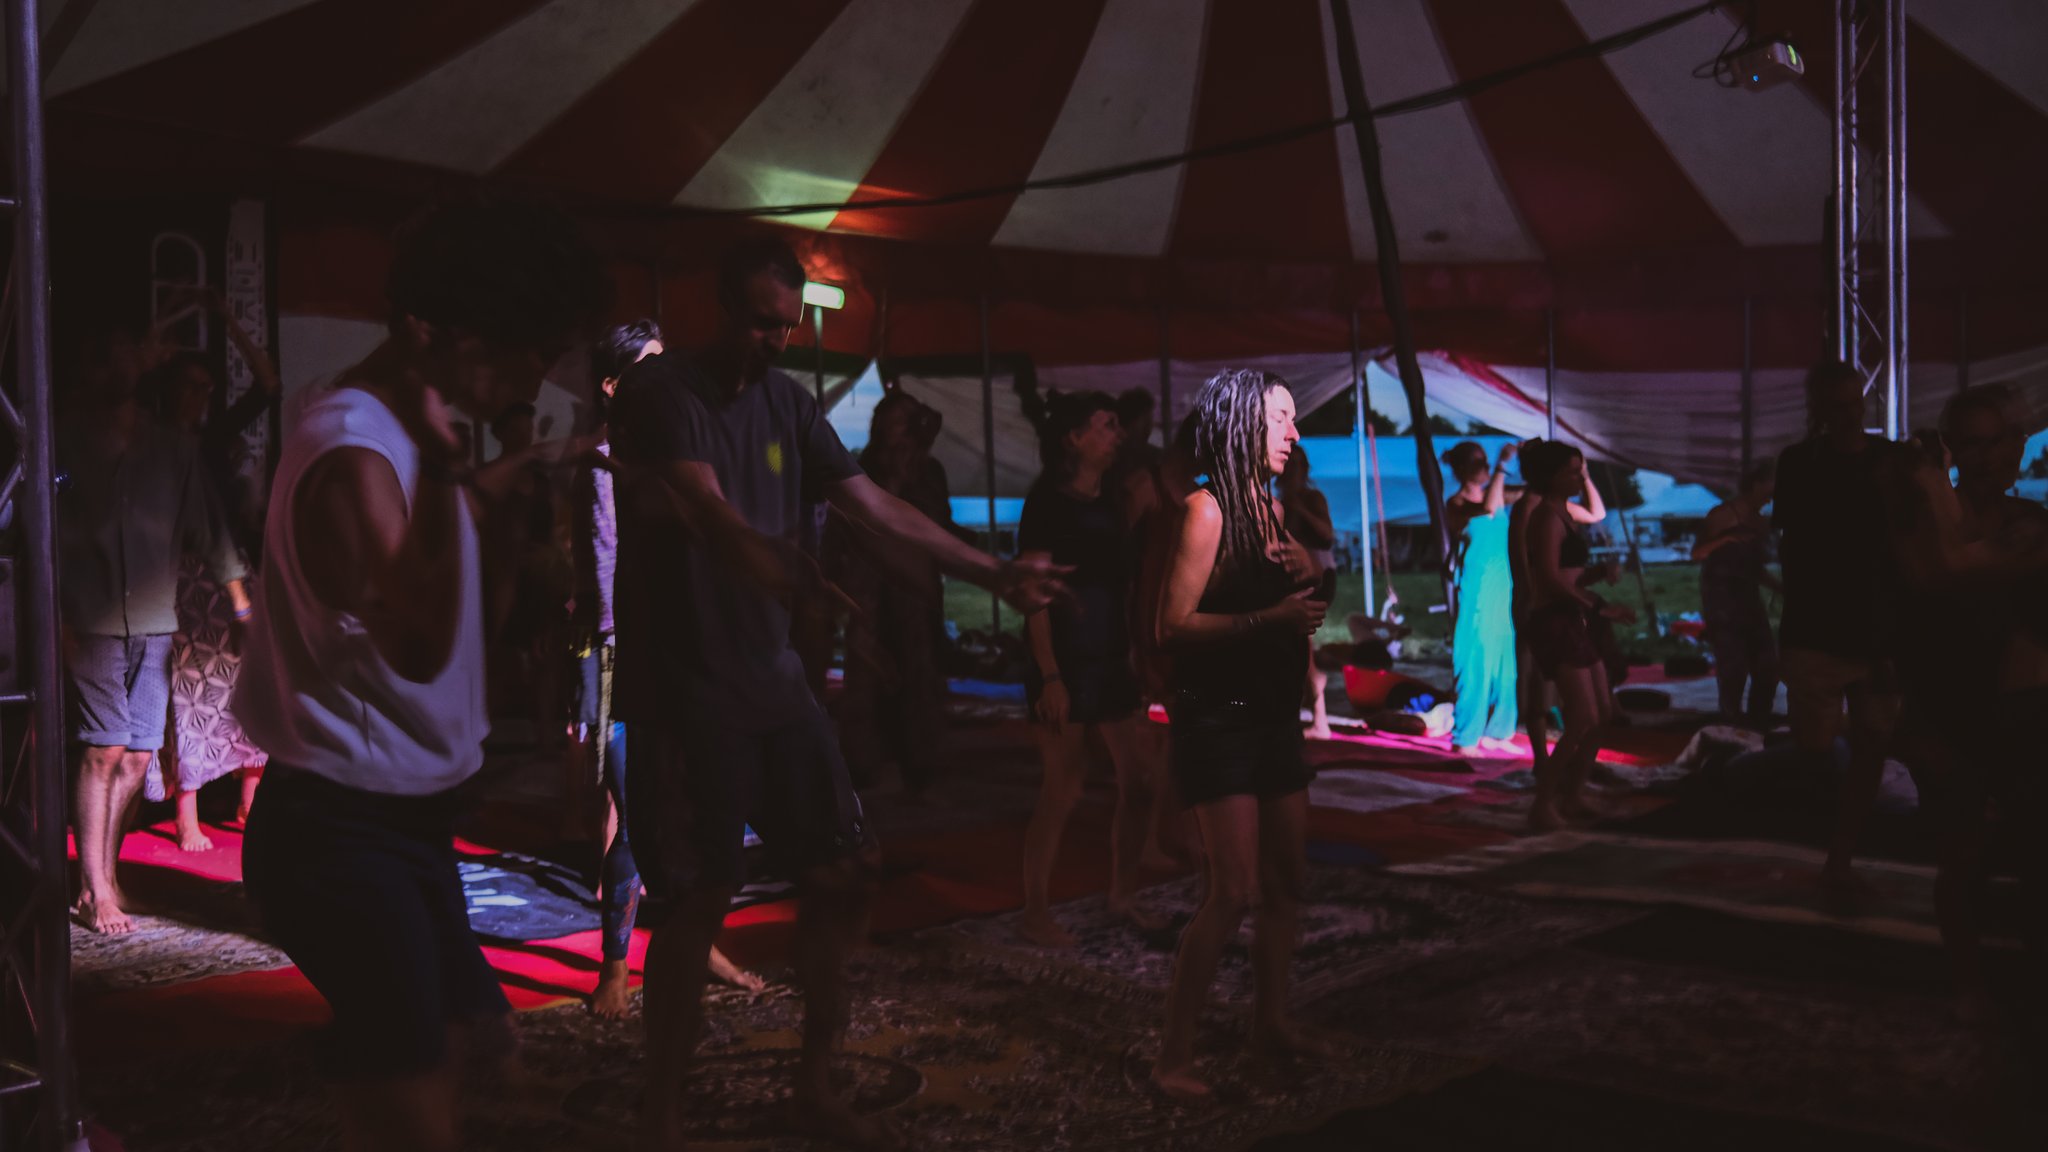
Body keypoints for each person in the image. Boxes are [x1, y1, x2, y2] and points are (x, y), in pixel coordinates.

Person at [607, 237, 1066, 1152]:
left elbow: (873, 503)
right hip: (686, 692)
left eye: (787, 326)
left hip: (773, 685)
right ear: (718, 308)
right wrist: (789, 573)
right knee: (699, 900)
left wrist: (991, 570)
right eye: (760, 323)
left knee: (845, 873)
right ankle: (660, 1114)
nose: (774, 341)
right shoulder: (662, 392)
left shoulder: (788, 402)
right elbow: (706, 508)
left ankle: (813, 1086)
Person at [234, 199, 608, 1152]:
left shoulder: (405, 432)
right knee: (416, 1108)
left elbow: (455, 603)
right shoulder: (355, 450)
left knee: (479, 1051)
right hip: (337, 835)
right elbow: (420, 644)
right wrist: (454, 479)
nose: (533, 378)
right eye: (525, 353)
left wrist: (503, 483)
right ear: (446, 336)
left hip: (406, 824)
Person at [573, 320, 765, 1018]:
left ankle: (700, 942)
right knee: (634, 814)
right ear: (612, 385)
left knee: (709, 802)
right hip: (623, 652)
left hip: (687, 645)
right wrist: (595, 675)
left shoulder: (682, 451)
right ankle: (615, 969)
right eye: (647, 368)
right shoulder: (602, 459)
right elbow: (601, 565)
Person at [1150, 368, 1331, 1104]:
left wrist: (1310, 568)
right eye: (1281, 419)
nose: (1294, 433)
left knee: (1287, 883)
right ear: (1241, 423)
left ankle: (1271, 1022)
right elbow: (1171, 625)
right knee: (1232, 893)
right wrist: (1269, 619)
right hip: (1218, 719)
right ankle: (1173, 1056)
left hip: (1272, 717)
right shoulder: (1206, 511)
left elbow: (1295, 598)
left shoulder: (1272, 506)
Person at [58, 314, 251, 931]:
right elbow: (41, 529)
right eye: (107, 354)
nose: (118, 364)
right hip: (90, 617)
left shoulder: (171, 448)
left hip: (155, 621)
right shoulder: (66, 439)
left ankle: (102, 878)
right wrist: (53, 613)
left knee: (140, 758)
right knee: (105, 747)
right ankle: (96, 888)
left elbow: (211, 529)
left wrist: (242, 604)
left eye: (128, 352)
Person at [1016, 390, 1164, 947]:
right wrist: (1050, 675)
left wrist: (1136, 653)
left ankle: (1123, 893)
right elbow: (1033, 595)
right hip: (1066, 661)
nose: (1117, 434)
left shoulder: (1110, 503)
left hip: (1110, 658)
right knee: (1064, 787)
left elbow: (1121, 584)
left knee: (1141, 780)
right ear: (1073, 439)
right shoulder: (1046, 504)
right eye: (1105, 425)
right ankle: (1035, 911)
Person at [144, 298, 284, 849]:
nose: (199, 396)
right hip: (178, 580)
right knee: (192, 694)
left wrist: (227, 319)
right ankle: (188, 813)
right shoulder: (150, 438)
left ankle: (251, 800)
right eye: (190, 386)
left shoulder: (214, 435)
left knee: (250, 684)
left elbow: (268, 385)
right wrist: (174, 319)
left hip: (231, 576)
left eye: (206, 387)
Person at [1773, 361, 1900, 889]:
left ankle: (1841, 851)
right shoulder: (1801, 462)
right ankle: (1834, 845)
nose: (1850, 414)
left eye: (1855, 402)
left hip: (1869, 628)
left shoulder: (1888, 459)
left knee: (1869, 744)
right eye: (1840, 405)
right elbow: (1792, 541)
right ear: (1820, 409)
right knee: (1820, 748)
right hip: (1821, 627)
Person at [827, 389, 968, 800]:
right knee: (868, 667)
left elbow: (936, 520)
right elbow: (849, 523)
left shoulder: (928, 471)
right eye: (895, 421)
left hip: (914, 582)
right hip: (869, 580)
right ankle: (863, 761)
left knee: (918, 666)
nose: (900, 430)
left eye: (906, 422)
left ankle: (919, 759)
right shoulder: (863, 468)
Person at [1512, 440, 1631, 832]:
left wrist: (1598, 575)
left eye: (1581, 470)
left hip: (1571, 617)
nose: (1579, 478)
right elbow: (1548, 578)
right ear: (1551, 477)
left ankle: (1574, 795)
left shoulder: (1564, 513)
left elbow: (1567, 575)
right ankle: (1543, 804)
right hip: (1555, 621)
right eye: (1572, 472)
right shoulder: (1546, 517)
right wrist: (1600, 608)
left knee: (1602, 715)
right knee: (1582, 718)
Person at [1443, 441, 1523, 757]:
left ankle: (1500, 730)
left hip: (1501, 591)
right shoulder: (1456, 504)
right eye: (1480, 463)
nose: (1486, 468)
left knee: (1505, 666)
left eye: (1487, 462)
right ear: (1463, 468)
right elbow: (1488, 509)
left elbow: (1526, 493)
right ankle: (1465, 737)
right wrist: (1503, 466)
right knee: (1475, 663)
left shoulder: (1498, 493)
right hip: (1476, 593)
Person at [1692, 463, 1782, 727]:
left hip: (1748, 596)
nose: (1771, 496)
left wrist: (1780, 588)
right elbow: (1697, 553)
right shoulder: (1722, 515)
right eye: (1770, 487)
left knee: (1767, 664)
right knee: (1733, 665)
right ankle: (1730, 720)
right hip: (1722, 599)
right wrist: (1725, 540)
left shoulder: (1761, 522)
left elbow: (1756, 570)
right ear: (1756, 484)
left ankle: (1758, 720)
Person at [1279, 448, 1337, 740]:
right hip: (1290, 580)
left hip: (1317, 577)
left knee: (1303, 645)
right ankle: (1309, 713)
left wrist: (1298, 507)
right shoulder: (1276, 502)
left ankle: (1319, 717)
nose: (1291, 472)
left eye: (1296, 466)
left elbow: (1327, 534)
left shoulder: (1312, 499)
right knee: (1296, 645)